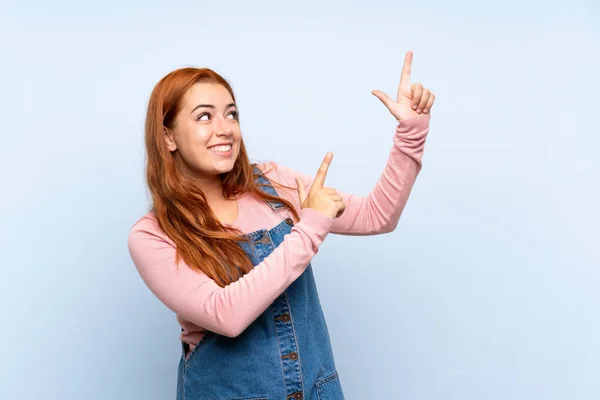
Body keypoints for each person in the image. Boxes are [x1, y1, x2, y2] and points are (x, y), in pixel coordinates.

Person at [127, 50, 435, 400]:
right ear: (168, 137)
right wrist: (310, 227)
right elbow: (225, 314)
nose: (224, 128)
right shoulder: (152, 235)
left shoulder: (271, 184)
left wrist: (412, 133)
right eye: (204, 117)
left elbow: (377, 215)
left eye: (232, 114)